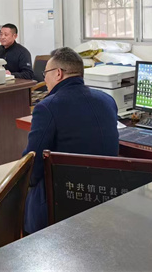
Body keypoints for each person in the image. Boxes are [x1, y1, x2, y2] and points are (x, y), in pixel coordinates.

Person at [22, 47, 119, 234]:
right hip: (105, 196)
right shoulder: (107, 100)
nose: (44, 79)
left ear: (58, 73)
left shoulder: (47, 107)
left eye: (46, 73)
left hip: (63, 200)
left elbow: (32, 165)